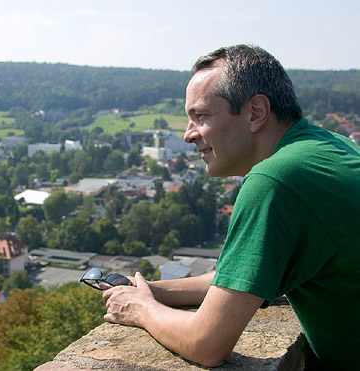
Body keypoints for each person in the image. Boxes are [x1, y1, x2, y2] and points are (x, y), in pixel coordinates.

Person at [101, 45, 360, 369]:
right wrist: (151, 291)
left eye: (202, 116)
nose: (187, 135)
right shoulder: (331, 146)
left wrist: (141, 309)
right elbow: (242, 276)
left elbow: (206, 344)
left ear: (255, 112)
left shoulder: (275, 181)